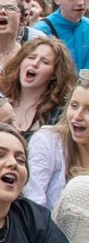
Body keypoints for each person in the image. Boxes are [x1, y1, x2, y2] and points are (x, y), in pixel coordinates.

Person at [23, 72, 89, 211]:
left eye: (88, 110)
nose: (77, 116)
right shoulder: (47, 141)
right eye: (74, 106)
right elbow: (34, 206)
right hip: (49, 230)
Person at [0, 37, 75, 138]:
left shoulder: (59, 112)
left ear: (54, 74)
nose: (34, 64)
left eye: (45, 62)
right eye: (31, 57)